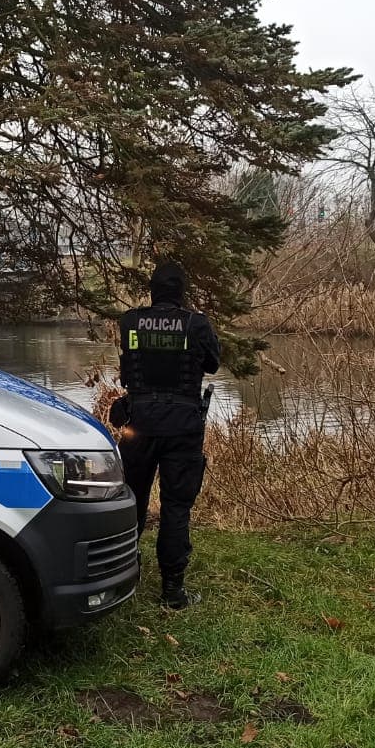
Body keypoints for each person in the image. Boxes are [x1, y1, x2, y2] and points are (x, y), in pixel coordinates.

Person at [113, 260, 220, 609]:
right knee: (176, 507)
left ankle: (125, 575)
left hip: (139, 424)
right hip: (183, 427)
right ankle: (172, 592)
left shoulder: (130, 322)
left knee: (132, 503)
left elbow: (128, 366)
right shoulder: (197, 324)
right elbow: (212, 364)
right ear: (181, 292)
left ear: (153, 290)